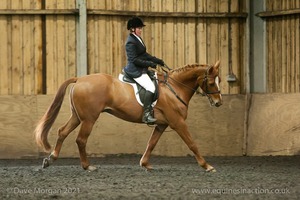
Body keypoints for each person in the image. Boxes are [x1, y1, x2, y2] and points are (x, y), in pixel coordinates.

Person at [124, 16, 165, 124]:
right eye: (139, 28)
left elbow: (143, 54)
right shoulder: (130, 42)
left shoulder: (137, 39)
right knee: (150, 87)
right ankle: (146, 114)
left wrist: (157, 60)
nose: (141, 30)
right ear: (132, 29)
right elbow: (134, 60)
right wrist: (150, 64)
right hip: (135, 70)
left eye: (141, 28)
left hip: (141, 68)